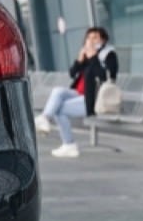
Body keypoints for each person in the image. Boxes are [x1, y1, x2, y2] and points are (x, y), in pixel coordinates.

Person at [36, 27, 118, 158]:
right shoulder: (87, 54)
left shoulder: (109, 54)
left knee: (59, 109)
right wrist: (79, 61)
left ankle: (69, 144)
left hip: (94, 99)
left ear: (103, 40)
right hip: (79, 94)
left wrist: (93, 58)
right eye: (89, 38)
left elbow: (106, 77)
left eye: (95, 37)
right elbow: (72, 73)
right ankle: (45, 118)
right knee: (58, 91)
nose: (91, 41)